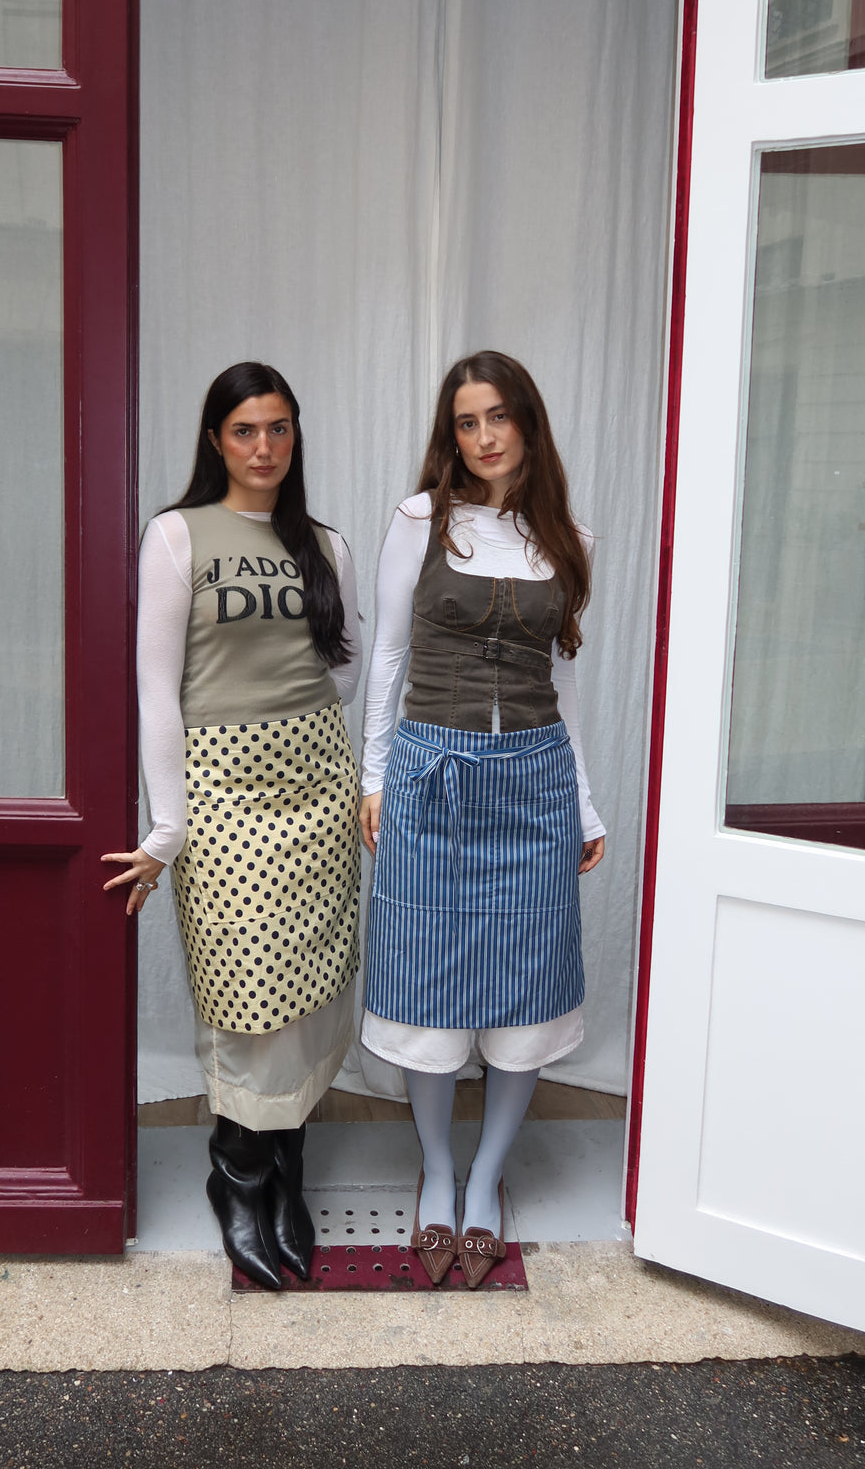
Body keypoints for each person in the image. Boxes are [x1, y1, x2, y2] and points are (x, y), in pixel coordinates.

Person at [103, 362, 362, 1291]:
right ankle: (237, 1177)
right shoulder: (179, 536)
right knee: (248, 993)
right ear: (216, 438)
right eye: (246, 431)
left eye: (280, 430)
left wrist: (314, 752)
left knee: (311, 988)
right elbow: (155, 688)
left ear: (297, 437)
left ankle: (286, 1170)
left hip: (318, 793)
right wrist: (167, 826)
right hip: (225, 793)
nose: (265, 449)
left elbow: (341, 669)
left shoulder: (323, 541)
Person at [359, 350, 605, 1288]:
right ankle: (438, 1173)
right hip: (432, 772)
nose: (484, 436)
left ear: (527, 423)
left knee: (527, 985)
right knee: (428, 981)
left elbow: (565, 680)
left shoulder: (568, 537)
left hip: (536, 780)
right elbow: (387, 655)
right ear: (449, 434)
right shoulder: (421, 523)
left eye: (498, 416)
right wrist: (376, 776)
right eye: (466, 421)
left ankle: (489, 1177)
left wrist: (584, 799)